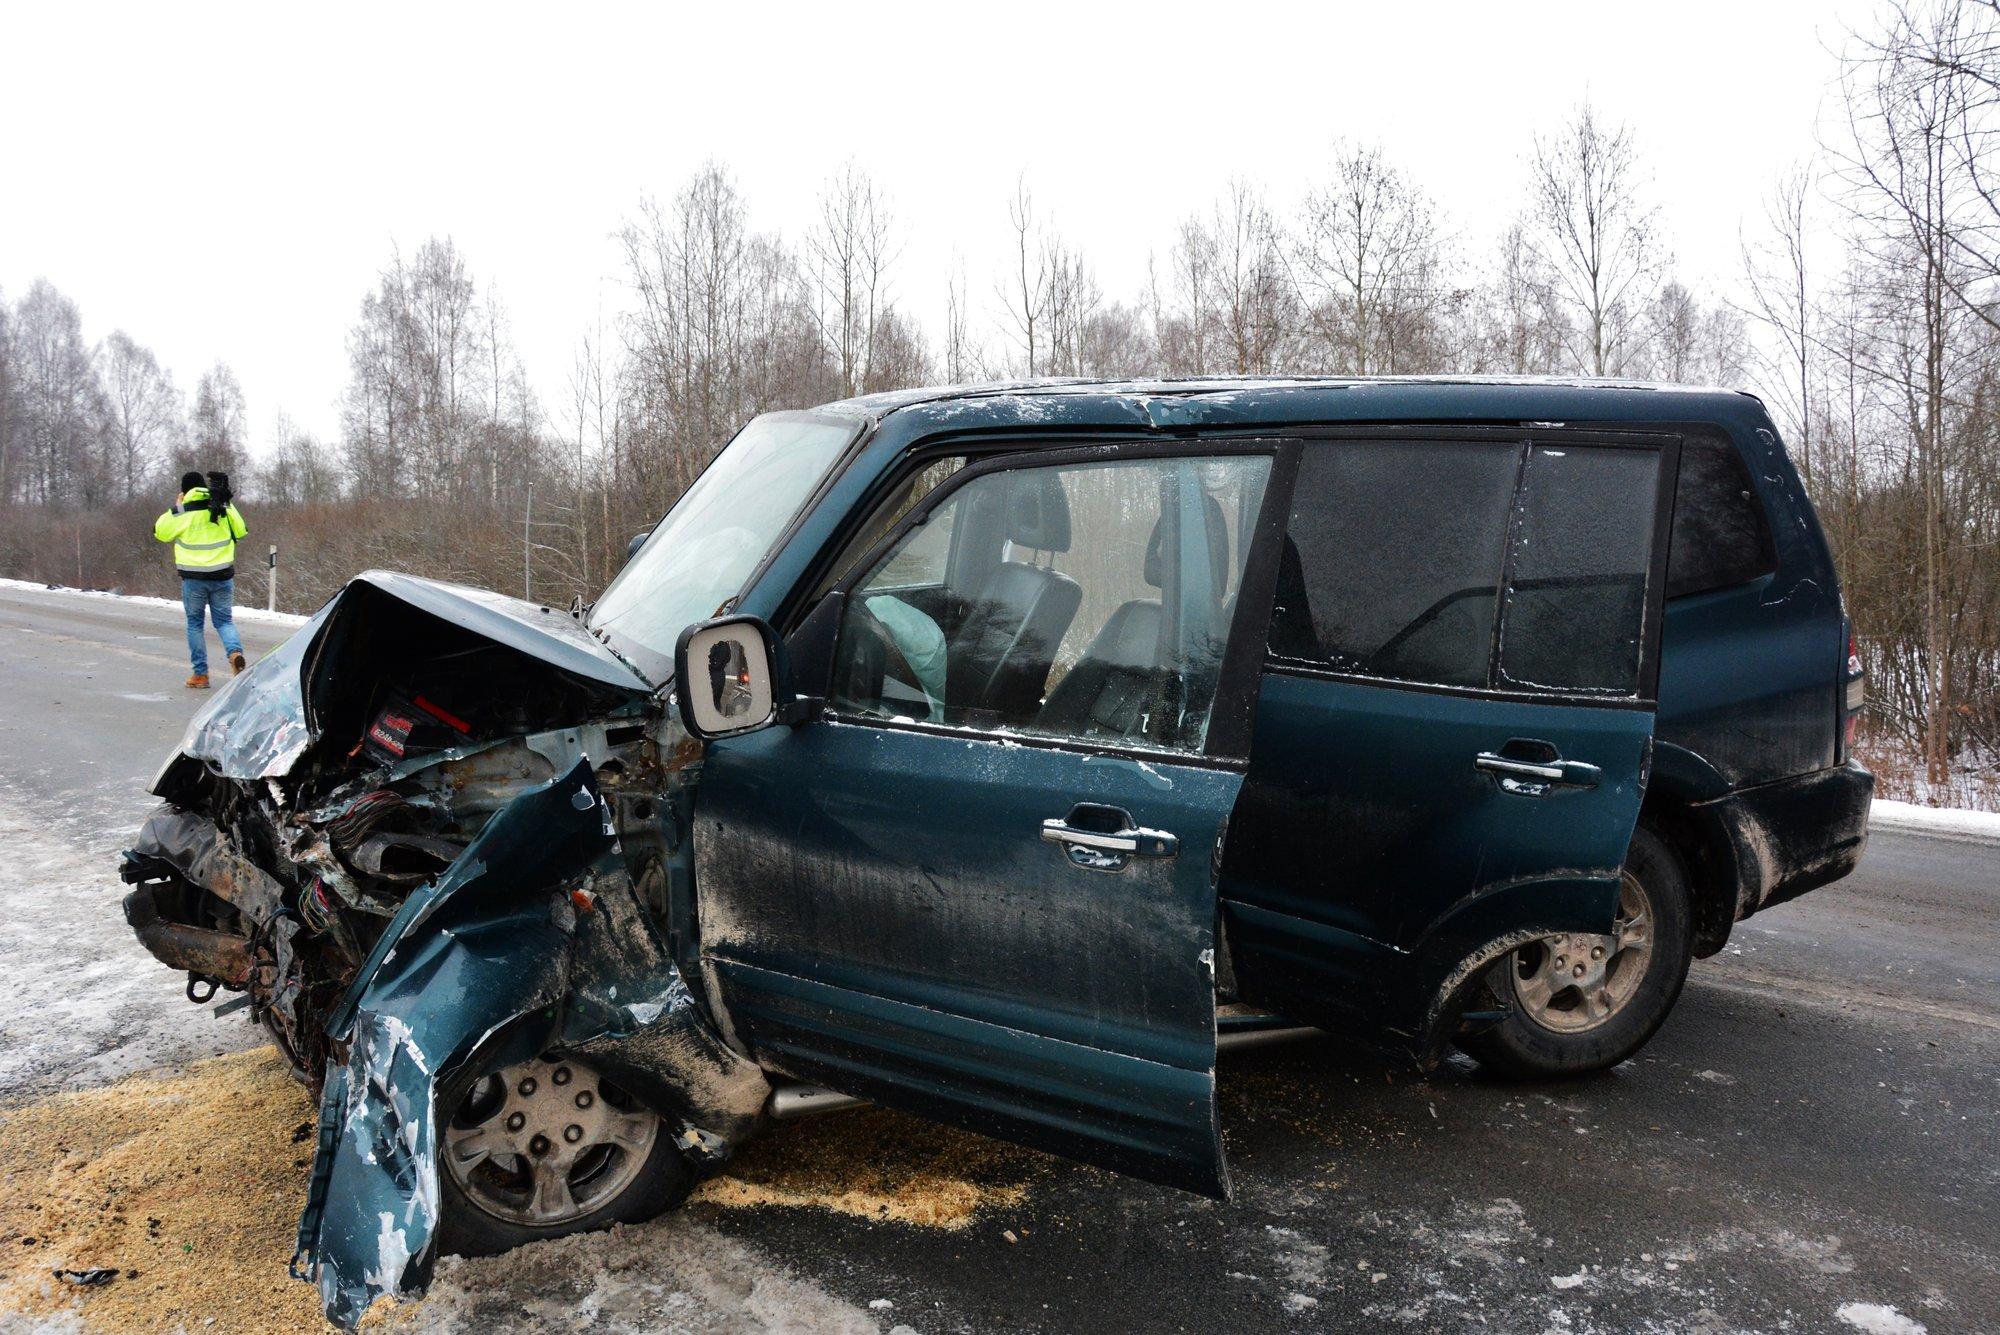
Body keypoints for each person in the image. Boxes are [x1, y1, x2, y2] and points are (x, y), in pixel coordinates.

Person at [155, 470, 250, 689]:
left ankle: (201, 675)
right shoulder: (222, 506)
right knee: (224, 621)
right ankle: (235, 653)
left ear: (184, 491)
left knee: (195, 624)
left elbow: (159, 532)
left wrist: (177, 505)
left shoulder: (182, 511)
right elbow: (241, 530)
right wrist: (227, 503)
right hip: (222, 576)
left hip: (194, 579)